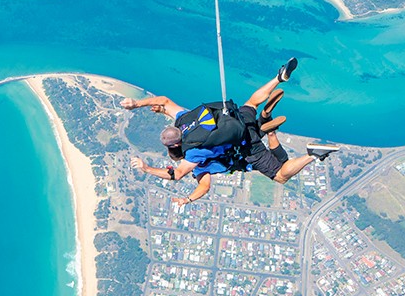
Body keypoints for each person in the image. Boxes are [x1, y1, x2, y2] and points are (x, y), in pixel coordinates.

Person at [125, 58, 339, 207]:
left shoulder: (193, 157)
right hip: (236, 118)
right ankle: (278, 80)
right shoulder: (183, 119)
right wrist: (136, 104)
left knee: (281, 175)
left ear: (175, 147)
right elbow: (164, 101)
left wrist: (148, 170)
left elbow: (180, 176)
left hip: (247, 146)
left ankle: (311, 153)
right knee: (252, 103)